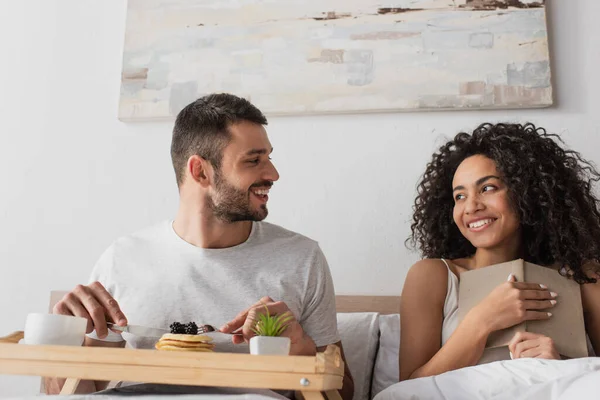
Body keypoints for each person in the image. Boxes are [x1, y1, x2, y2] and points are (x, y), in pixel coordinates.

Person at [47, 93, 354, 399]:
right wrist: (62, 339)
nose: (272, 174)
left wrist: (303, 353)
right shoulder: (123, 259)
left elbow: (344, 394)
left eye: (269, 158)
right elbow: (80, 391)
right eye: (254, 160)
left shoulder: (301, 258)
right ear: (200, 172)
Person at [400, 122, 600, 381]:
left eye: (487, 188)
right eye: (459, 196)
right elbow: (407, 390)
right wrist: (482, 321)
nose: (470, 207)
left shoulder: (583, 275)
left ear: (527, 192)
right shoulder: (433, 276)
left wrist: (561, 367)